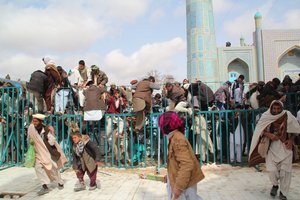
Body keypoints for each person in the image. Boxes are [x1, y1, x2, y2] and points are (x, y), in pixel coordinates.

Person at [249, 100, 300, 200]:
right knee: (272, 171)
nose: (276, 111)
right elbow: (260, 130)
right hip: (271, 148)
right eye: (274, 108)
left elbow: (296, 130)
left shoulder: (287, 115)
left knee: (285, 172)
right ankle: (275, 185)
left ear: (282, 108)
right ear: (271, 108)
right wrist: (269, 135)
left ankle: (283, 193)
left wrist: (290, 140)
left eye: (278, 108)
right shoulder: (266, 116)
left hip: (286, 148)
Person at [158, 111, 204, 200]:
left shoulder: (177, 139)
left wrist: (178, 187)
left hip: (184, 184)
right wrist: (170, 175)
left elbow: (186, 164)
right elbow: (176, 162)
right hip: (182, 181)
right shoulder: (174, 137)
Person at [27, 113, 67, 195]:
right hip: (38, 153)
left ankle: (60, 181)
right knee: (38, 168)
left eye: (36, 121)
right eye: (33, 121)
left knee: (53, 168)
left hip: (47, 153)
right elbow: (29, 137)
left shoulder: (46, 130)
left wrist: (51, 134)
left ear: (40, 122)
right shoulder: (32, 129)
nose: (34, 123)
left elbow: (52, 142)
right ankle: (44, 186)